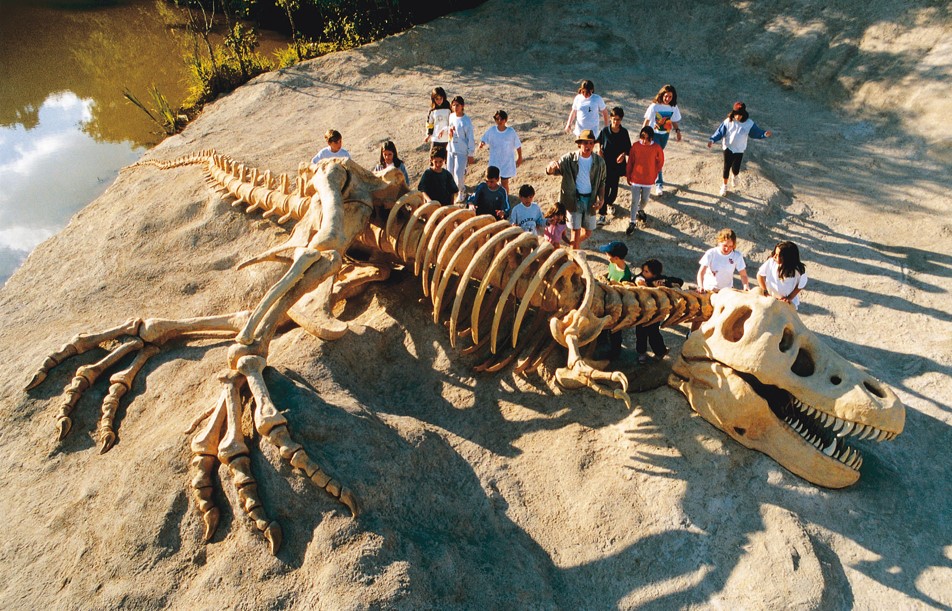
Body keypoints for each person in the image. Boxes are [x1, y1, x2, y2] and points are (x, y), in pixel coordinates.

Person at [545, 129, 606, 250]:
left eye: (590, 143)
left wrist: (602, 199)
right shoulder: (569, 159)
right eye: (585, 143)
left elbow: (602, 181)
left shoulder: (599, 162)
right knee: (575, 232)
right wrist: (550, 167)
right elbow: (552, 171)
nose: (588, 146)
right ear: (579, 144)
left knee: (588, 232)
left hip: (590, 201)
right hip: (573, 201)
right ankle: (574, 260)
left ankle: (573, 245)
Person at [707, 101, 773, 196]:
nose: (737, 117)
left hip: (739, 150)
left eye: (740, 115)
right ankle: (724, 186)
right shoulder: (728, 121)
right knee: (726, 167)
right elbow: (720, 132)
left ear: (744, 114)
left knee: (736, 168)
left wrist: (764, 134)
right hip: (728, 148)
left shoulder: (749, 123)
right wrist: (712, 140)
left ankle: (735, 176)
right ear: (733, 113)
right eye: (736, 114)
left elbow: (755, 133)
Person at [634, 258, 681, 364]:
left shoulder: (661, 279)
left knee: (654, 334)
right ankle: (641, 353)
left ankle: (660, 352)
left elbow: (679, 281)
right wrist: (638, 280)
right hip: (642, 312)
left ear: (654, 274)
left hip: (656, 313)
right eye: (643, 270)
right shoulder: (641, 278)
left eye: (647, 271)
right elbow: (636, 278)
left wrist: (663, 286)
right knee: (640, 334)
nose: (643, 273)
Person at [596, 240, 633, 360]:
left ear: (616, 258)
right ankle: (601, 341)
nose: (606, 256)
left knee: (615, 329)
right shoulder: (612, 264)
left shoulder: (625, 274)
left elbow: (621, 290)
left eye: (608, 254)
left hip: (616, 304)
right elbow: (610, 275)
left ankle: (615, 351)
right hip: (606, 299)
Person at [625, 126, 665, 236]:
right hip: (636, 179)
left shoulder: (656, 148)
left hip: (648, 180)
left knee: (645, 200)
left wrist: (654, 172)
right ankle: (632, 222)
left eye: (648, 138)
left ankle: (640, 210)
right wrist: (628, 175)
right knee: (634, 200)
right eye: (642, 137)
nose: (645, 140)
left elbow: (660, 161)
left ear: (652, 138)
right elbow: (630, 162)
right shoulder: (635, 146)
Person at [642, 84, 682, 195]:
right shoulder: (654, 106)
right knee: (658, 158)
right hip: (654, 135)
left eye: (670, 97)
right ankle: (658, 184)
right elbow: (647, 120)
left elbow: (674, 120)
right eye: (666, 96)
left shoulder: (673, 107)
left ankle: (650, 176)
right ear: (662, 95)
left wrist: (678, 131)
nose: (668, 99)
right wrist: (642, 134)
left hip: (665, 135)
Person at [596, 106, 632, 225]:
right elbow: (599, 141)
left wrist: (623, 154)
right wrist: (599, 150)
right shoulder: (605, 131)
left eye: (618, 119)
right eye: (614, 119)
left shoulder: (624, 133)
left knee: (614, 191)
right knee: (604, 190)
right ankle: (602, 214)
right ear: (610, 118)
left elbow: (628, 149)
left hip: (617, 167)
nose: (616, 122)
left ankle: (609, 203)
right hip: (605, 165)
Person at [478, 109, 523, 193]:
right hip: (495, 161)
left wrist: (520, 157)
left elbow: (518, 145)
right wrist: (482, 143)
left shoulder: (510, 132)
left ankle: (505, 199)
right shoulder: (492, 130)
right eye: (497, 119)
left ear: (505, 120)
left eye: (501, 119)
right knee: (492, 182)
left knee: (504, 182)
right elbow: (484, 138)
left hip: (506, 162)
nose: (499, 121)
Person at [697, 228, 750, 293]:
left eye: (730, 246)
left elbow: (743, 275)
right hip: (709, 289)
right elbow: (701, 273)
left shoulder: (737, 256)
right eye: (725, 245)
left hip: (727, 291)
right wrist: (700, 286)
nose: (727, 248)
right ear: (719, 242)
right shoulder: (711, 253)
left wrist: (746, 286)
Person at [757, 240, 807, 309]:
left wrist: (790, 297)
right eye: (775, 253)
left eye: (778, 255)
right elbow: (760, 275)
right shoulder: (771, 262)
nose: (774, 256)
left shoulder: (798, 271)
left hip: (787, 303)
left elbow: (801, 285)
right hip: (770, 299)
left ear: (787, 258)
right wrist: (765, 291)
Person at [447, 95, 476, 203]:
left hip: (461, 151)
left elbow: (470, 138)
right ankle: (451, 193)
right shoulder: (451, 116)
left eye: (457, 105)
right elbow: (449, 128)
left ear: (462, 106)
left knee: (458, 174)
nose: (455, 107)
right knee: (449, 173)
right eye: (453, 105)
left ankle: (462, 191)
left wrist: (470, 153)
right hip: (450, 149)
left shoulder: (466, 121)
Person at [423, 87, 452, 153]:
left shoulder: (448, 109)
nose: (439, 101)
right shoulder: (432, 110)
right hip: (435, 138)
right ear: (433, 99)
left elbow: (451, 123)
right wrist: (428, 134)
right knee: (433, 157)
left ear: (444, 98)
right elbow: (430, 123)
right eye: (436, 99)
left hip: (447, 138)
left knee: (447, 159)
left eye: (440, 98)